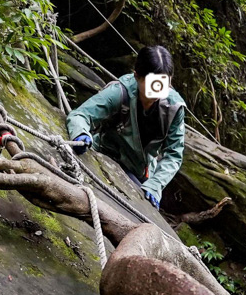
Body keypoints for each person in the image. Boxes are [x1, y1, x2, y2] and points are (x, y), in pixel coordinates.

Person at [66, 46, 185, 210]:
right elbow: (81, 115)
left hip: (141, 173)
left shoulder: (174, 107)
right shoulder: (120, 92)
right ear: (136, 76)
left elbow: (174, 154)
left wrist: (155, 184)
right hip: (106, 155)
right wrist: (80, 134)